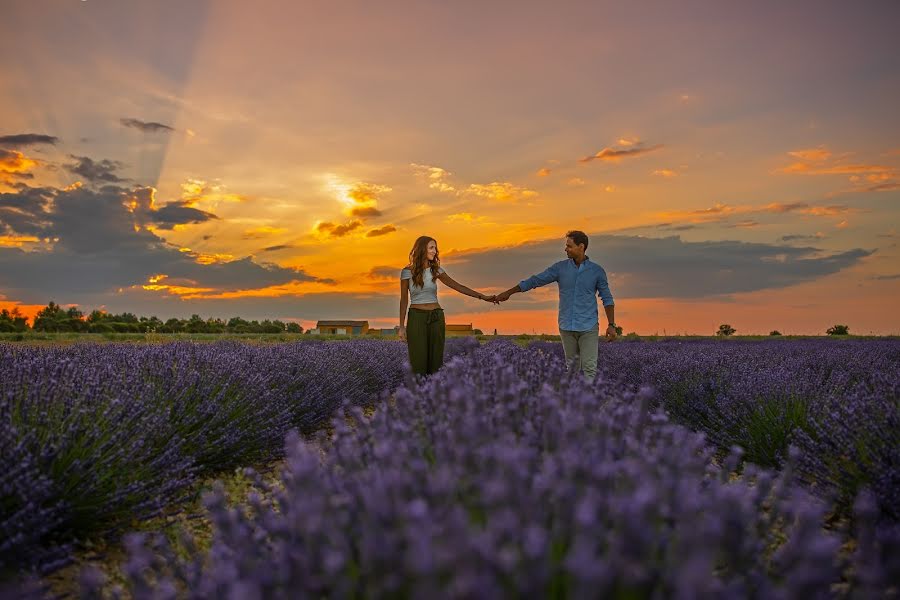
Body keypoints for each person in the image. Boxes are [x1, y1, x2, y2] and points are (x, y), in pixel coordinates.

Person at [495, 230, 616, 379]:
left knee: (590, 369)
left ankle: (586, 401)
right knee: (571, 370)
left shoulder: (597, 271)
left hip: (588, 327)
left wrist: (611, 325)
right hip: (566, 326)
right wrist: (509, 292)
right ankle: (573, 401)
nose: (566, 249)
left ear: (581, 246)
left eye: (569, 246)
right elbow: (536, 280)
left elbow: (607, 298)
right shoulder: (560, 268)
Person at [399, 236, 497, 376]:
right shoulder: (407, 272)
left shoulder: (436, 271)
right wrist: (402, 326)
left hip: (436, 317)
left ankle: (434, 393)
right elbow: (403, 300)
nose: (435, 251)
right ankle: (418, 395)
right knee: (417, 361)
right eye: (431, 247)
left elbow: (458, 287)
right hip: (416, 318)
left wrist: (483, 297)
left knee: (436, 362)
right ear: (422, 249)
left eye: (435, 248)